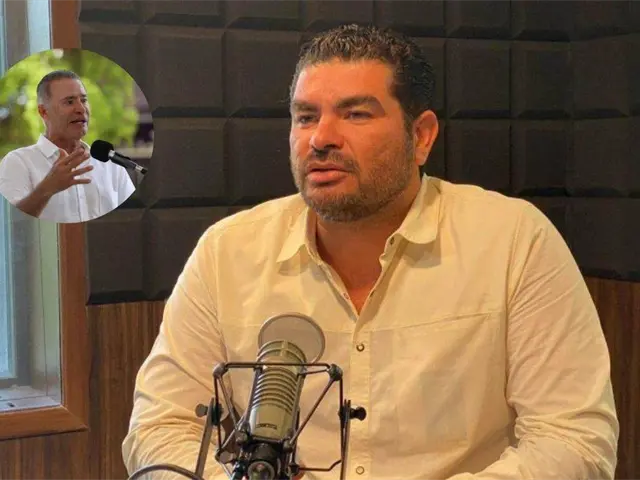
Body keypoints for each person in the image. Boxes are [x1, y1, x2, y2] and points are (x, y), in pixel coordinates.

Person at [123, 25, 619, 479]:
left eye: (356, 114)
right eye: (305, 117)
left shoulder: (514, 240)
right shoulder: (226, 251)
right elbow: (160, 426)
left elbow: (574, 440)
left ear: (420, 136)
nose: (321, 139)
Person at [0, 70, 135, 223]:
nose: (81, 109)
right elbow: (11, 224)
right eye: (69, 102)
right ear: (43, 112)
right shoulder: (17, 162)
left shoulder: (111, 165)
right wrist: (46, 189)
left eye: (83, 100)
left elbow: (132, 220)